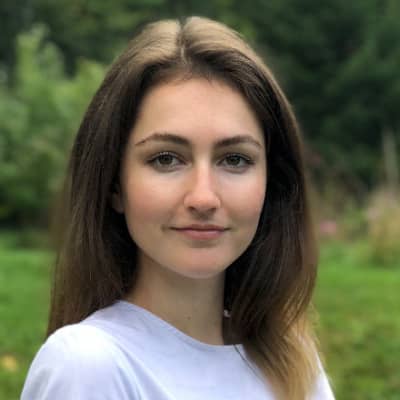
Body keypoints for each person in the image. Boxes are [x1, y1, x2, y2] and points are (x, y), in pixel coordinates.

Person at [21, 16, 335, 400]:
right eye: (166, 159)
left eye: (234, 159)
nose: (203, 198)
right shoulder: (88, 365)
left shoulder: (291, 362)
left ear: (272, 182)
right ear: (114, 185)